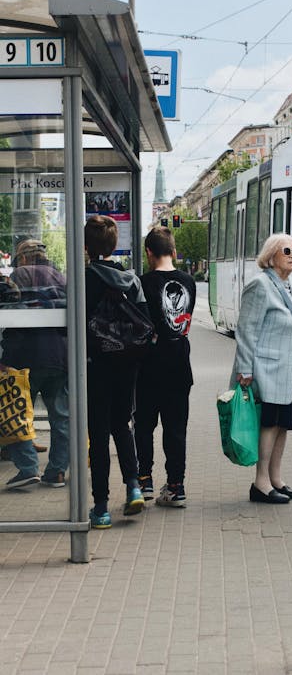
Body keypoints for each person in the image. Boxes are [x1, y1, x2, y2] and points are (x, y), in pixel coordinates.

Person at [230, 233, 292, 504]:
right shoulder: (260, 285)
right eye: (286, 250)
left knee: (283, 425)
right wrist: (245, 371)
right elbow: (246, 331)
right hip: (265, 369)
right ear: (271, 255)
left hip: (287, 368)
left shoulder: (288, 286)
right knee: (269, 425)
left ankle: (276, 478)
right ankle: (260, 483)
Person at [85, 215, 147, 528]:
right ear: (114, 244)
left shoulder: (84, 279)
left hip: (95, 366)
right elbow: (145, 322)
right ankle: (134, 486)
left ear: (86, 246)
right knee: (122, 425)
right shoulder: (131, 279)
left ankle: (101, 508)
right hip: (127, 365)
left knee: (97, 435)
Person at [134, 227, 196, 508]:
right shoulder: (189, 281)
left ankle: (144, 481)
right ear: (173, 251)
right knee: (176, 429)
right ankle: (176, 487)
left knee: (144, 425)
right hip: (180, 362)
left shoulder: (142, 282)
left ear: (149, 252)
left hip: (149, 364)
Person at [2, 240, 69, 490]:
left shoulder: (21, 274)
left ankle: (29, 468)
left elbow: (11, 309)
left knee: (15, 412)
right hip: (59, 355)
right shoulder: (60, 277)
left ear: (26, 258)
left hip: (24, 356)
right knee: (61, 417)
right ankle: (57, 471)